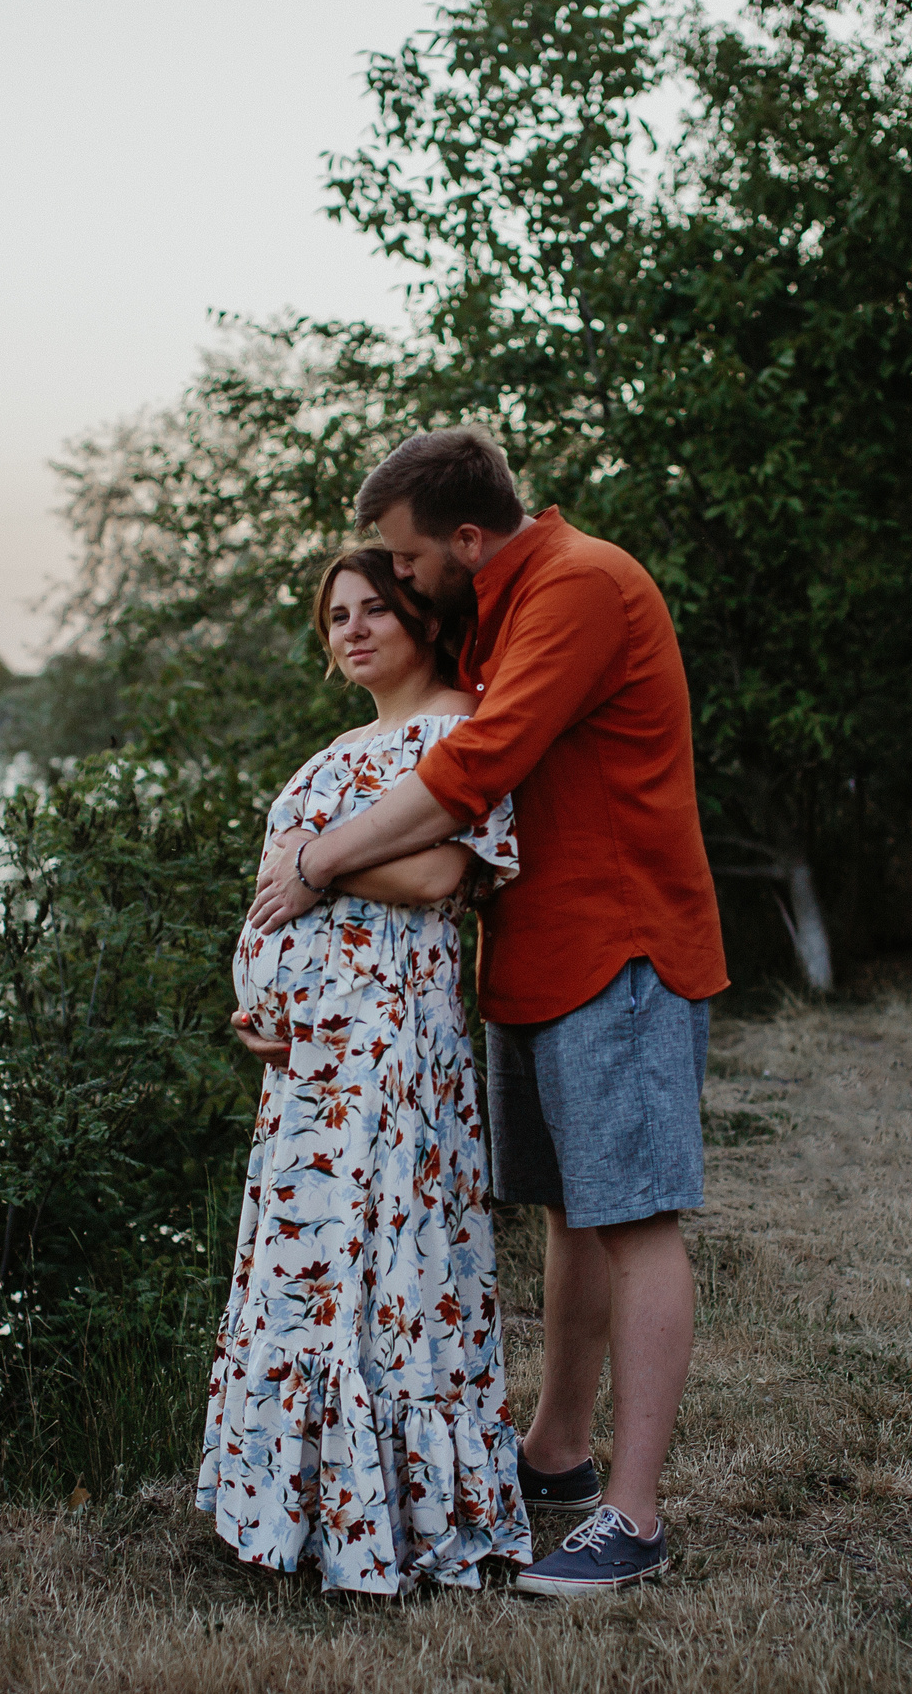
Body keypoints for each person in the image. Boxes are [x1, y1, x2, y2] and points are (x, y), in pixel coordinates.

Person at [245, 427, 728, 1597]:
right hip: (536, 956)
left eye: (408, 562)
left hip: (619, 945)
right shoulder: (499, 609)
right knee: (570, 1210)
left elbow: (476, 768)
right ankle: (556, 1454)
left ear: (465, 539)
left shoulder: (578, 586)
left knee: (636, 1215)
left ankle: (634, 1517)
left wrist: (313, 861)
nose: (401, 582)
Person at [198, 546, 532, 1595]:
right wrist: (263, 1004)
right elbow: (280, 890)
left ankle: (397, 1521)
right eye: (336, 615)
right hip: (309, 1063)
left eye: (373, 609)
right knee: (307, 1272)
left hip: (392, 1053)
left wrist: (316, 861)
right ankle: (295, 1522)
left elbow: (438, 874)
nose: (350, 629)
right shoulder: (341, 747)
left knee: (388, 1271)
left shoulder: (462, 728)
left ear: (424, 618)